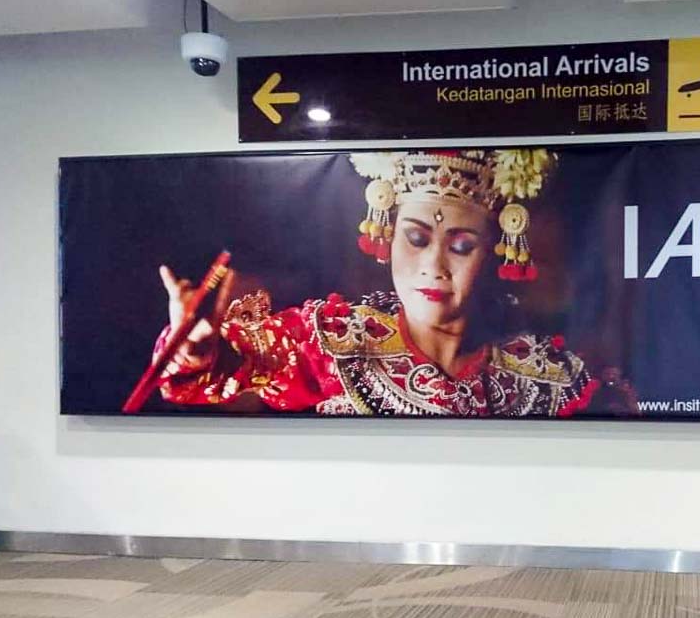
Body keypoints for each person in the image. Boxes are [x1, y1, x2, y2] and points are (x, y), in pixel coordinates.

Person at [154, 148, 605, 417]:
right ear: (386, 239)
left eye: (462, 246)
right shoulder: (331, 340)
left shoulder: (548, 376)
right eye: (415, 238)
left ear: (496, 254)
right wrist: (196, 348)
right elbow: (227, 370)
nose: (434, 265)